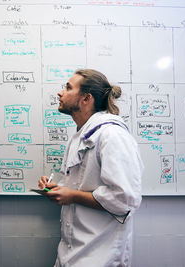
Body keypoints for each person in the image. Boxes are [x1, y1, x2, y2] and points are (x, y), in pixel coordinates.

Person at [38, 69, 143, 266]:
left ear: (86, 99)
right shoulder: (81, 135)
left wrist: (72, 195)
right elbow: (81, 183)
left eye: (68, 88)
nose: (60, 93)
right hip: (74, 249)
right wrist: (56, 187)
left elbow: (125, 199)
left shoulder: (112, 135)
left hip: (101, 254)